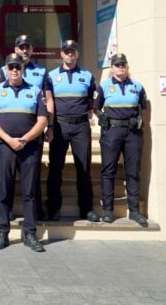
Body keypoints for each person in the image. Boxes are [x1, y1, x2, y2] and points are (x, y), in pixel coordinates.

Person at [0, 53, 48, 253]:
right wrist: (9, 139)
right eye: (11, 67)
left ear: (23, 69)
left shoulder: (35, 90)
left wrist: (25, 139)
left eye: (18, 67)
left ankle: (30, 233)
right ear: (5, 69)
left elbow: (43, 120)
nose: (14, 70)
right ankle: (3, 231)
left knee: (30, 192)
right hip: (5, 147)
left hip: (29, 147)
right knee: (4, 190)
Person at [0, 34, 51, 220]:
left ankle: (35, 213)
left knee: (32, 176)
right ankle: (7, 213)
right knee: (6, 181)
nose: (25, 50)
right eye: (21, 47)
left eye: (28, 47)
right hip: (7, 137)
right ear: (15, 50)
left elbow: (48, 100)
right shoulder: (3, 71)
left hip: (33, 131)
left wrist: (48, 125)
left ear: (32, 50)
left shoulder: (42, 72)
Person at [45, 40, 99, 222]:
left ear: (77, 54)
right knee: (55, 169)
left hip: (81, 127)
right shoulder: (51, 76)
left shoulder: (87, 75)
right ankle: (53, 208)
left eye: (73, 51)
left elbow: (92, 100)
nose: (70, 54)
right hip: (60, 126)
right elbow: (49, 102)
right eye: (66, 51)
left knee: (83, 168)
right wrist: (50, 127)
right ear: (61, 54)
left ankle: (87, 209)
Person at [94, 53, 149, 227]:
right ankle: (108, 210)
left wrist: (139, 119)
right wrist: (101, 117)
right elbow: (95, 107)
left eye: (123, 64)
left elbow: (143, 108)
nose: (120, 67)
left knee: (133, 171)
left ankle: (134, 211)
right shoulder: (104, 86)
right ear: (112, 67)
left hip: (132, 133)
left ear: (127, 66)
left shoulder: (137, 86)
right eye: (117, 65)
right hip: (112, 132)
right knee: (108, 170)